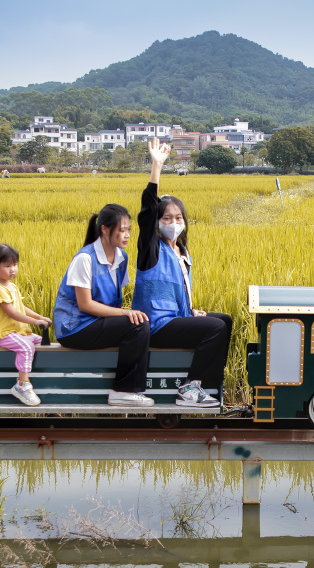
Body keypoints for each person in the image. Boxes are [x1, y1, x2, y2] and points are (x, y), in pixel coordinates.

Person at [131, 138, 229, 408]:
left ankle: (207, 386)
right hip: (156, 324)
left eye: (178, 218)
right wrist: (156, 167)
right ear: (158, 223)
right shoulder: (152, 249)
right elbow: (148, 211)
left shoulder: (182, 253)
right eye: (166, 219)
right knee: (216, 327)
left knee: (225, 320)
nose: (173, 223)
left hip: (174, 319)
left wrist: (190, 311)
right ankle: (190, 389)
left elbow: (176, 292)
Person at [53, 204, 153, 407]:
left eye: (129, 230)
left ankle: (125, 388)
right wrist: (126, 313)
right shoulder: (85, 258)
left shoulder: (121, 257)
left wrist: (129, 313)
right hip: (74, 328)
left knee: (139, 320)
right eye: (122, 230)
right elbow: (85, 305)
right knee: (137, 325)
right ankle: (123, 391)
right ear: (105, 230)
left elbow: (115, 299)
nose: (126, 235)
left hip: (96, 322)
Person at [0, 243, 49, 406]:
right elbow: (12, 313)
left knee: (40, 341)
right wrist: (35, 322)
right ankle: (22, 385)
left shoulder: (11, 286)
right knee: (27, 347)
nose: (12, 269)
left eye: (14, 264)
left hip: (17, 332)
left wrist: (40, 316)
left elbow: (22, 308)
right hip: (4, 333)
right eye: (7, 265)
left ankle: (39, 378)